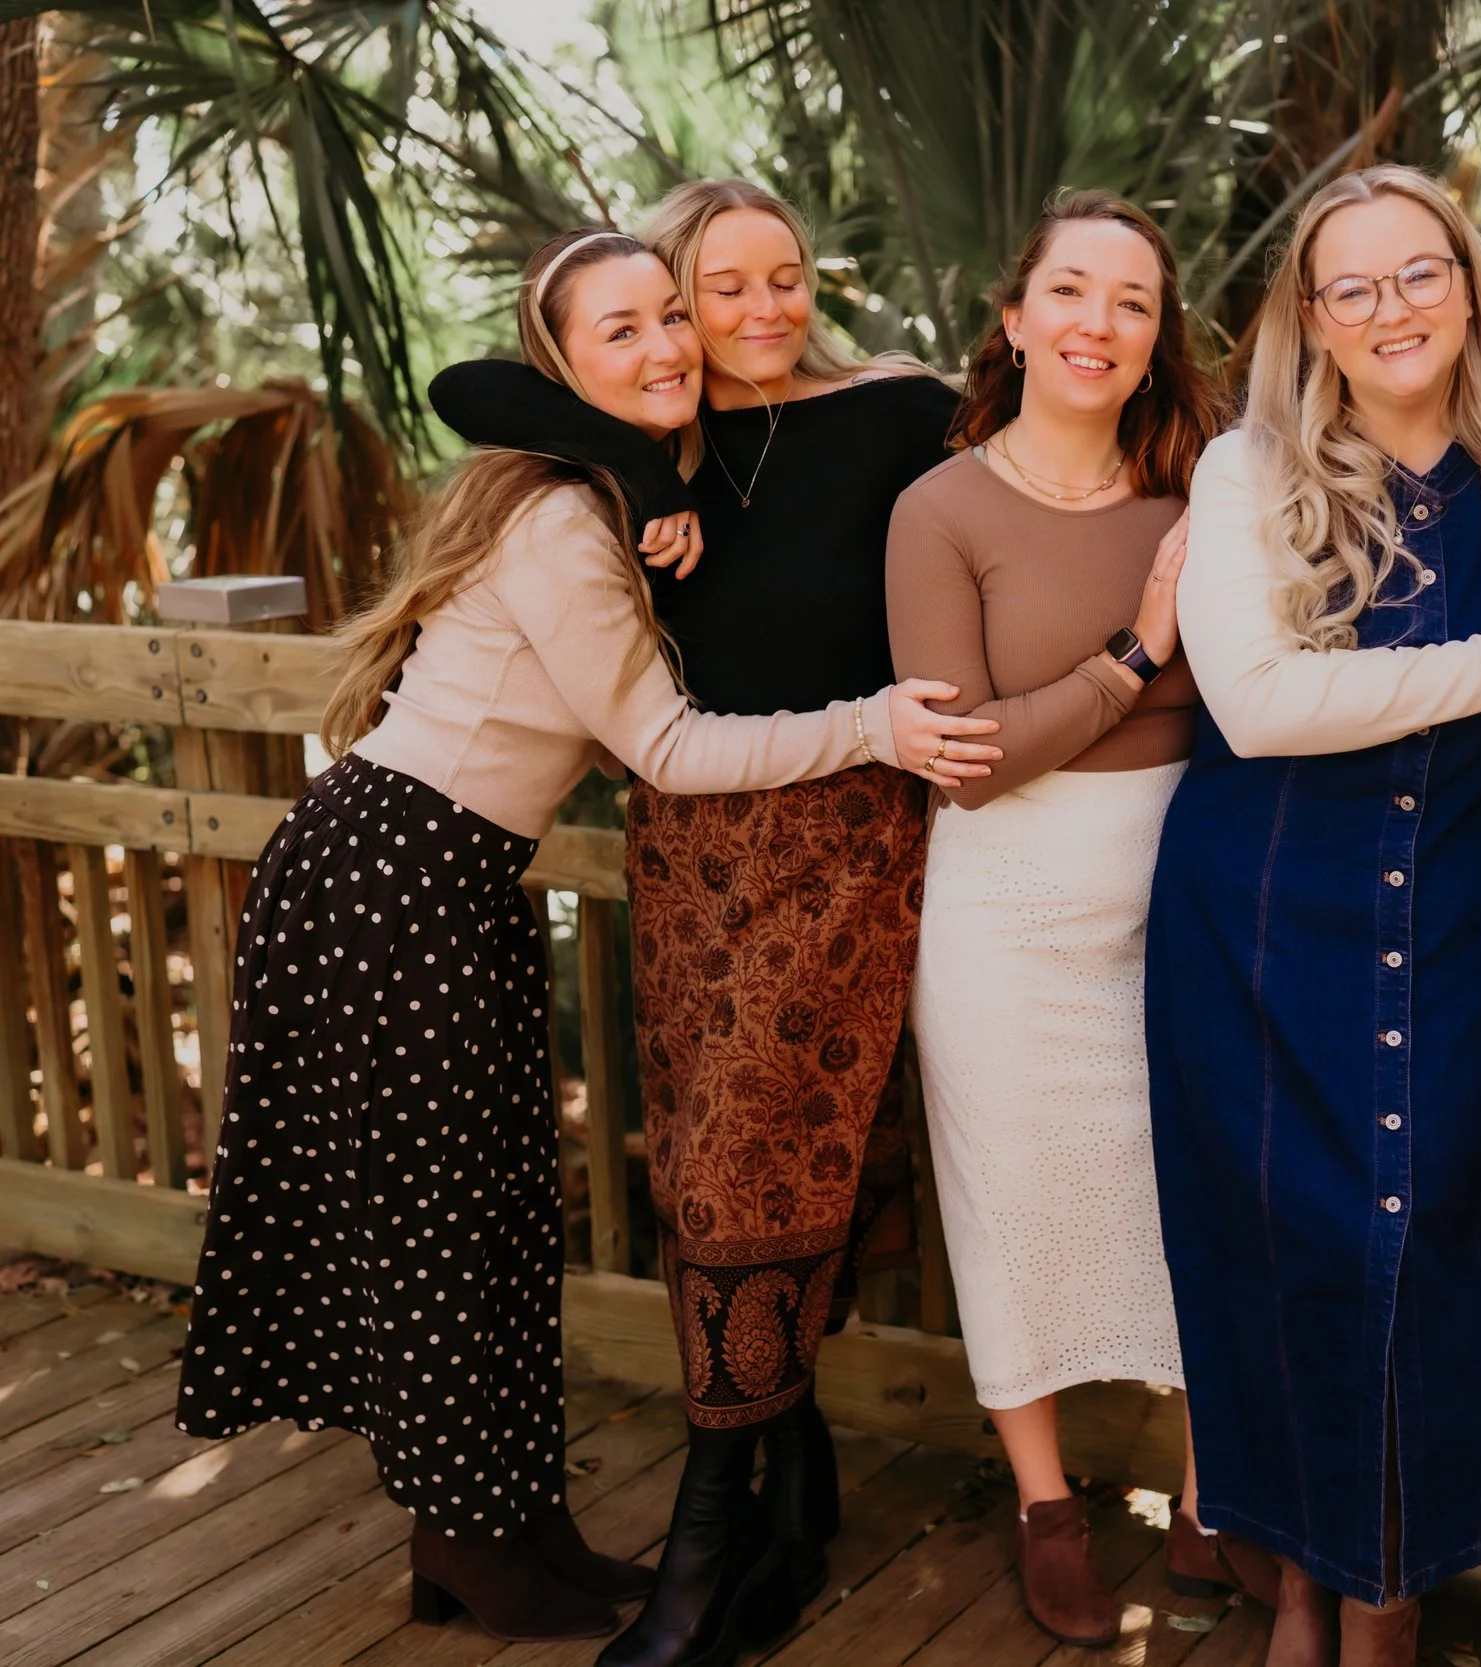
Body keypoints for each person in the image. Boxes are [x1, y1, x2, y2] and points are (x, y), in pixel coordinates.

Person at [175, 228, 980, 1646]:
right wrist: (875, 721)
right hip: (393, 872)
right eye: (628, 329)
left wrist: (633, 475)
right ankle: (473, 1552)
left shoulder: (599, 491)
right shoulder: (559, 513)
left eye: (675, 315)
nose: (674, 343)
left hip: (438, 873)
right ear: (567, 366)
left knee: (488, 1215)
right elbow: (662, 746)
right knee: (444, 1226)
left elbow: (514, 395)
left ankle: (506, 1530)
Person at [427, 180, 1000, 1667]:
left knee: (764, 1158)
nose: (756, 314)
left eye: (786, 279)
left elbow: (1059, 453)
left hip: (845, 834)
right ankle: (789, 1491)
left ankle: (703, 1544)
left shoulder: (893, 409)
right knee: (706, 1169)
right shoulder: (642, 452)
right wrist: (639, 457)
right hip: (690, 853)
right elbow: (475, 381)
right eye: (711, 289)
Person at [1146, 164, 1481, 1667]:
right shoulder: (1248, 474)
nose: (1391, 307)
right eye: (1351, 286)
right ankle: (1304, 1578)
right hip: (1272, 931)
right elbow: (1261, 704)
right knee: (1292, 1252)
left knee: (1444, 1253)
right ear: (1311, 316)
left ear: (1469, 285)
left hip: (1480, 927)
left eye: (1419, 273)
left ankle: (1393, 1594)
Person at [886, 189, 1253, 1646]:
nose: (1101, 324)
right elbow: (967, 761)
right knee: (1017, 1203)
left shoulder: (1207, 489)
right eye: (1075, 294)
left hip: (1184, 897)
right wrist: (1133, 653)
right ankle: (1046, 1505)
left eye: (1134, 303)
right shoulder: (942, 509)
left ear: (1158, 337)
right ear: (1017, 316)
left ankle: (1212, 1491)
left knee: (1193, 1193)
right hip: (1009, 914)